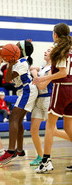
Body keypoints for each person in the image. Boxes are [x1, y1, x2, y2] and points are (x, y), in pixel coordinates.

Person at [32, 23, 72, 173]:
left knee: (50, 126)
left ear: (55, 34)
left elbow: (62, 73)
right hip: (71, 89)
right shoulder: (71, 48)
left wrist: (42, 79)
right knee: (68, 127)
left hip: (62, 87)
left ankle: (46, 161)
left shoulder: (59, 49)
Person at [0, 40, 38, 167]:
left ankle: (11, 151)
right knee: (18, 121)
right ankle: (20, 149)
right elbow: (7, 80)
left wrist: (9, 64)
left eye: (16, 46)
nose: (13, 46)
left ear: (20, 51)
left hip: (27, 90)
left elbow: (7, 79)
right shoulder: (18, 62)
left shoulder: (23, 63)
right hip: (23, 91)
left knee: (13, 118)